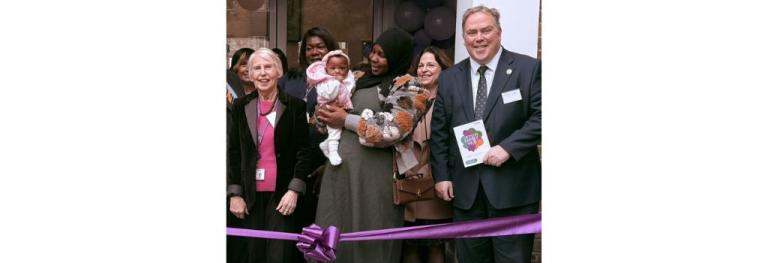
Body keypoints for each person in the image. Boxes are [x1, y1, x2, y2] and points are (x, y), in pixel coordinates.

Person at [430, 5, 542, 263]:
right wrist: (442, 176)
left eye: (485, 30)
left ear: (499, 33)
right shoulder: (449, 78)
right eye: (471, 32)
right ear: (464, 38)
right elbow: (439, 132)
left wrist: (508, 148)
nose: (478, 37)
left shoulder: (529, 69)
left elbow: (542, 117)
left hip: (513, 192)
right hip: (466, 193)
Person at [314, 28, 418, 263]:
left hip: (376, 177)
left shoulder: (411, 86)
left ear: (397, 56)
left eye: (382, 54)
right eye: (374, 52)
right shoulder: (357, 79)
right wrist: (324, 115)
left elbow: (394, 129)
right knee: (334, 231)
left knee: (371, 235)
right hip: (340, 173)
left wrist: (346, 119)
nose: (374, 58)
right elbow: (325, 120)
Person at [227, 48, 313, 263]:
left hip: (282, 194)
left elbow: (304, 151)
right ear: (250, 74)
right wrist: (235, 194)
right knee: (251, 254)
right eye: (257, 68)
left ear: (278, 72)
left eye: (268, 67)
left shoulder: (295, 106)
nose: (263, 73)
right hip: (249, 195)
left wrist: (294, 189)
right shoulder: (240, 106)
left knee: (279, 255)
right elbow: (234, 152)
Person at [402, 46, 454, 263]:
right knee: (409, 248)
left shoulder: (451, 99)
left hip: (437, 184)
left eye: (431, 65)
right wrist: (407, 168)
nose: (424, 69)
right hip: (409, 185)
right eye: (421, 65)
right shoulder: (406, 99)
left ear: (443, 69)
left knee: (435, 248)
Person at [226, 47, 254, 263]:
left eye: (250, 63)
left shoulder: (269, 95)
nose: (247, 69)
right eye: (242, 63)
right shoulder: (227, 95)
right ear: (233, 68)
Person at [306, 50, 355, 166]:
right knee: (335, 131)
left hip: (340, 108)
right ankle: (332, 151)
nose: (337, 71)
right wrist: (336, 83)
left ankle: (326, 144)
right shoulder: (324, 81)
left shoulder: (346, 79)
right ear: (326, 69)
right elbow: (328, 95)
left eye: (342, 68)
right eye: (333, 68)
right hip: (328, 108)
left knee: (339, 130)